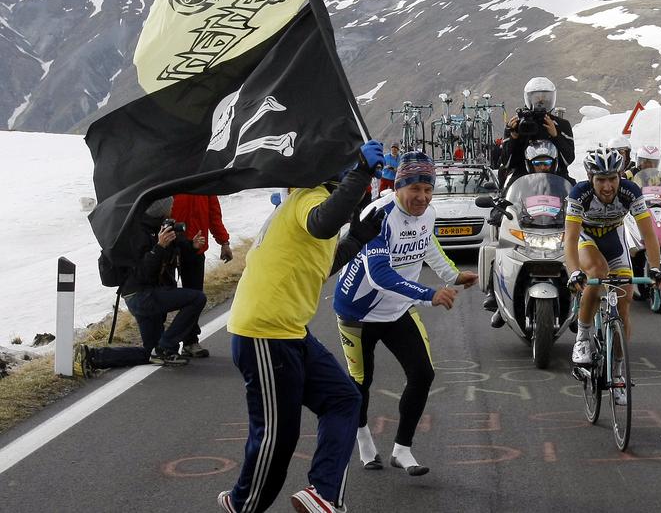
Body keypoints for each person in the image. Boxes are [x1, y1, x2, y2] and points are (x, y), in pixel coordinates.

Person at [218, 140, 385, 513]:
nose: (362, 195)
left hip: (289, 331)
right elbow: (323, 221)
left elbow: (320, 266)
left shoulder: (318, 214)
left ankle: (323, 495)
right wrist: (359, 171)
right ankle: (242, 505)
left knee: (344, 400)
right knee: (278, 435)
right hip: (263, 331)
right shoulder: (308, 199)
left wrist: (357, 238)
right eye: (354, 185)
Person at [333, 151, 478, 474]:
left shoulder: (428, 213)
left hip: (396, 309)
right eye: (415, 189)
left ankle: (402, 448)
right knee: (361, 381)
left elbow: (428, 245)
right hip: (358, 311)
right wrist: (430, 294)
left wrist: (453, 275)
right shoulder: (378, 215)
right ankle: (363, 439)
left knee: (423, 373)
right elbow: (380, 276)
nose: (423, 197)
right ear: (398, 187)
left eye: (428, 189)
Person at [565, 147, 661, 405]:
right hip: (586, 240)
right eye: (601, 180)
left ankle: (618, 372)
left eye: (612, 178)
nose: (608, 186)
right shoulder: (580, 194)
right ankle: (583, 338)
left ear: (620, 175)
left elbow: (649, 234)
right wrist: (574, 272)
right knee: (597, 273)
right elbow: (571, 239)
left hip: (614, 240)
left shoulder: (630, 191)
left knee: (624, 304)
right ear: (591, 179)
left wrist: (655, 267)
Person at [75, 197, 207, 374]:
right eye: (170, 205)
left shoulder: (157, 227)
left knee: (151, 352)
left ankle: (93, 356)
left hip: (145, 294)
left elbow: (175, 248)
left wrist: (191, 244)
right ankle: (166, 346)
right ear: (161, 209)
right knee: (197, 299)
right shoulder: (138, 233)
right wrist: (159, 246)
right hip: (141, 295)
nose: (173, 207)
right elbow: (143, 272)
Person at [482, 141, 558, 313]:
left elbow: (576, 201)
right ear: (529, 163)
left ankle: (580, 302)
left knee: (580, 254)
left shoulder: (565, 181)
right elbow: (503, 201)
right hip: (525, 230)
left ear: (554, 163)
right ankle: (495, 296)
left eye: (547, 163)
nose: (543, 167)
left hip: (556, 231)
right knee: (499, 251)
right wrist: (499, 213)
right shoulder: (515, 181)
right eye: (538, 163)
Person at [168, 194, 232, 358]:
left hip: (196, 247)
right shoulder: (168, 174)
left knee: (195, 296)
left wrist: (224, 242)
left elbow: (213, 213)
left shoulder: (204, 179)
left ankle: (190, 341)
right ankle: (161, 344)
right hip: (167, 248)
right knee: (163, 295)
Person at [498, 77, 574, 190]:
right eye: (536, 98)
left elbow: (568, 160)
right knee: (505, 203)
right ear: (528, 98)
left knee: (577, 200)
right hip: (522, 183)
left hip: (557, 180)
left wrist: (556, 136)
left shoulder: (562, 124)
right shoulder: (516, 125)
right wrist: (514, 137)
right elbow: (507, 163)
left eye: (545, 98)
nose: (541, 102)